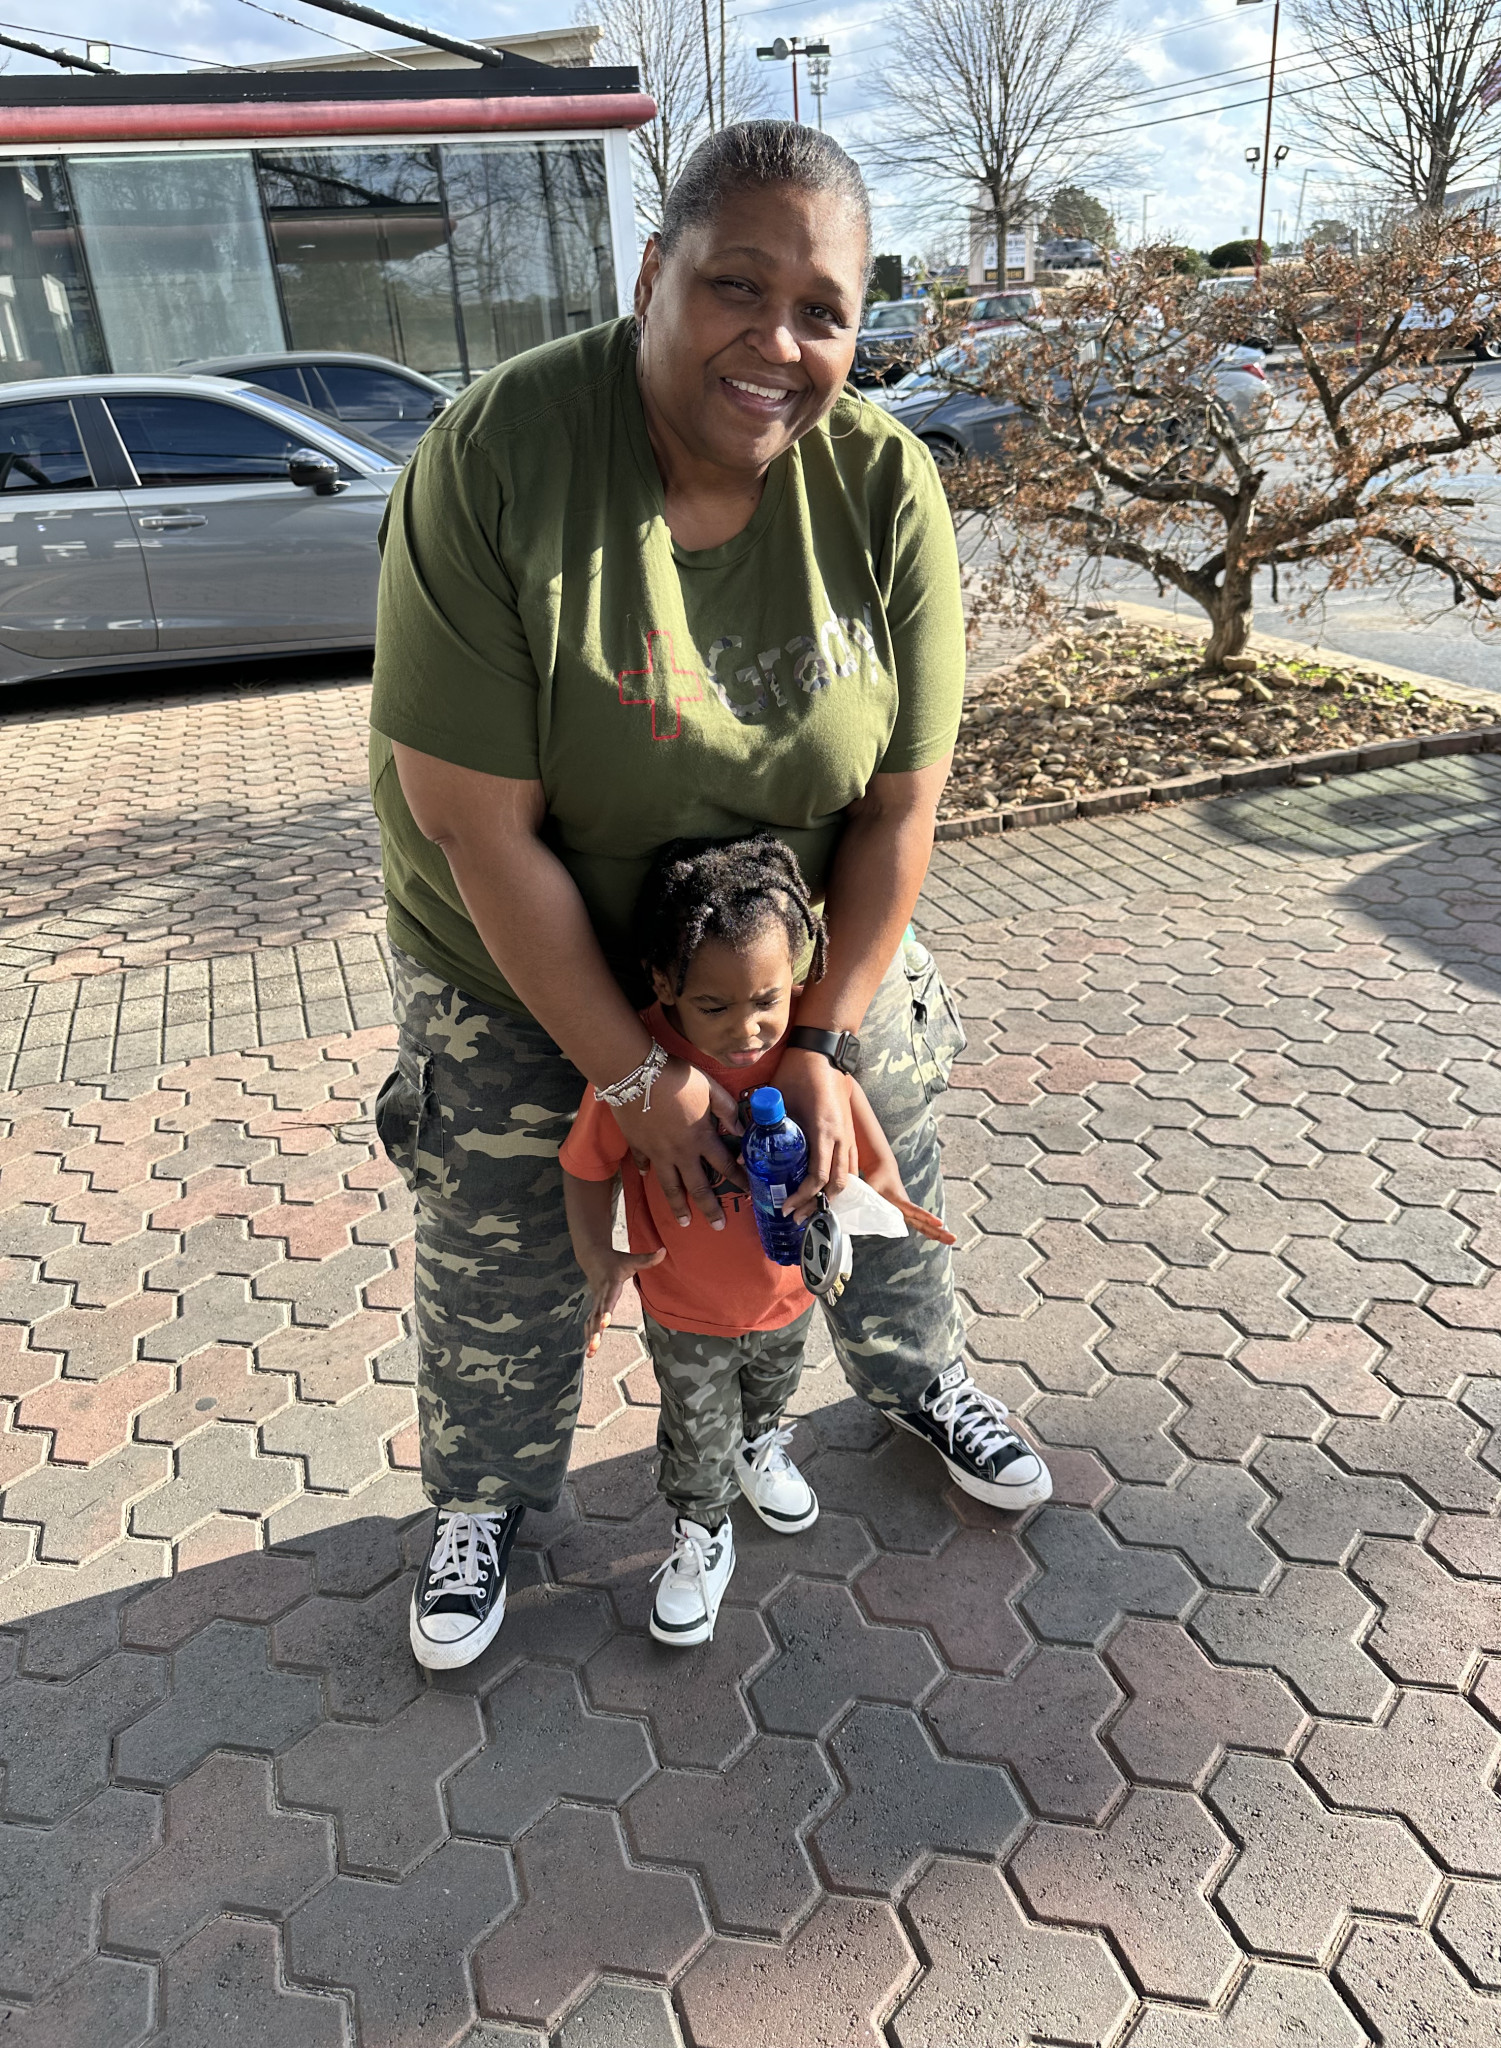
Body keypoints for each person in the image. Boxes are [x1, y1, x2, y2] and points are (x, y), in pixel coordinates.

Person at [370, 118, 1053, 1674]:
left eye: (823, 310)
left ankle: (915, 1375)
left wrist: (820, 1036)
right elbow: (476, 828)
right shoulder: (497, 459)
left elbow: (901, 807)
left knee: (871, 1131)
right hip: (522, 939)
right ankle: (484, 1492)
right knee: (505, 1223)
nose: (779, 341)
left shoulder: (883, 483)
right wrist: (633, 1075)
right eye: (737, 285)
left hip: (778, 952)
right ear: (651, 276)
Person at [561, 835, 942, 1647]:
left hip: (787, 1291)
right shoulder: (640, 1075)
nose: (748, 1030)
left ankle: (761, 1446)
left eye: (768, 999)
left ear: (796, 976)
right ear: (664, 984)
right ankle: (701, 1530)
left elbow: (857, 1123)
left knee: (771, 1387)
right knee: (697, 1430)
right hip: (686, 1305)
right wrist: (598, 1254)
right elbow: (585, 1164)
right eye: (715, 1007)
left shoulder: (802, 1052)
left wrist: (894, 1195)